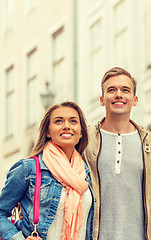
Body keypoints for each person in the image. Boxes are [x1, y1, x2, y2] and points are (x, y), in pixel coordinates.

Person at [82, 67, 151, 240]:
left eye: (125, 90)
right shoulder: (84, 140)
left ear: (135, 99)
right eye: (112, 90)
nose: (119, 94)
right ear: (102, 99)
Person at [0, 101, 94, 240]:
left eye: (73, 121)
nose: (67, 126)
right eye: (59, 121)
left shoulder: (85, 173)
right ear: (48, 132)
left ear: (81, 133)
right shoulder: (29, 169)